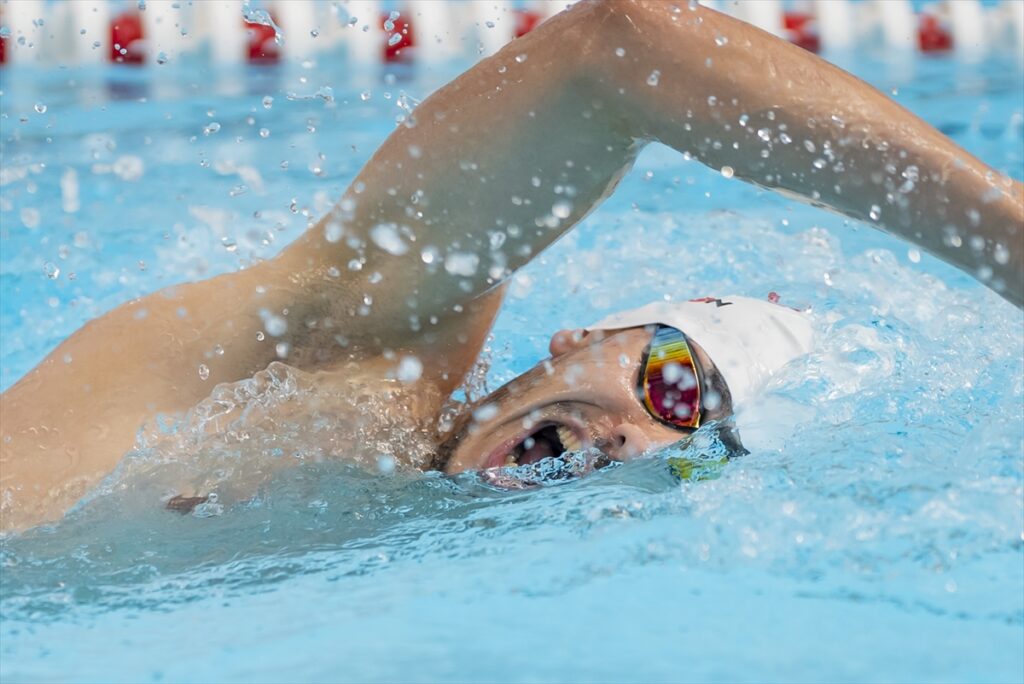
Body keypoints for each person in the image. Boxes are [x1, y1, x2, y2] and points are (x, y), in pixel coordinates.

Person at [1, 0, 1021, 531]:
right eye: (673, 381)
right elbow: (613, 50)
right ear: (578, 338)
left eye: (690, 441)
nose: (641, 439)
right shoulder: (363, 346)